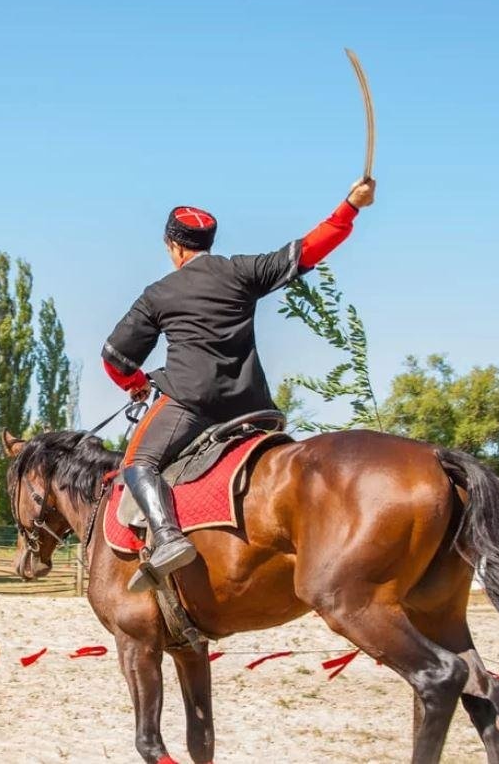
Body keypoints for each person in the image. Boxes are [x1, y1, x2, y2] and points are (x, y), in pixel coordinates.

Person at [102, 178, 377, 592]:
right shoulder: (240, 271)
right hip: (254, 409)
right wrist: (350, 207)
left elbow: (116, 359)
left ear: (174, 247)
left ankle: (168, 537)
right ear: (207, 243)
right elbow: (307, 250)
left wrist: (136, 384)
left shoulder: (159, 293)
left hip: (191, 406)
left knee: (138, 465)